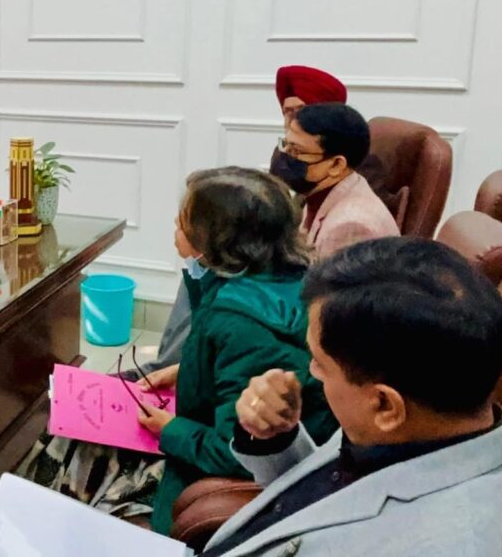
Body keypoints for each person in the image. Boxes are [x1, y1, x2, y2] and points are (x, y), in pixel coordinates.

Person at [19, 168, 338, 536]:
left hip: (206, 474)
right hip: (202, 429)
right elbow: (231, 370)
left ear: (214, 239)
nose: (175, 224)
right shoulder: (271, 280)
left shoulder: (244, 323)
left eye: (184, 219)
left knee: (67, 444)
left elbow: (239, 449)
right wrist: (188, 370)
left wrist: (170, 429)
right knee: (69, 424)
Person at [198, 238, 502, 556]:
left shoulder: (455, 545)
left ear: (385, 405)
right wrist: (276, 440)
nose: (309, 372)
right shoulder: (428, 422)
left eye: (319, 364)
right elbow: (334, 504)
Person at [142, 67, 349, 384]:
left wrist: (177, 414)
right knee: (197, 272)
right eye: (288, 113)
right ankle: (171, 365)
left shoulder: (239, 318)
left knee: (205, 270)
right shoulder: (303, 167)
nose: (294, 123)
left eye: (303, 112)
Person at [271, 103, 399, 260]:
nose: (285, 155)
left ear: (337, 164)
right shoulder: (317, 194)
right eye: (286, 145)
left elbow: (323, 276)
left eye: (296, 151)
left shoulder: (350, 226)